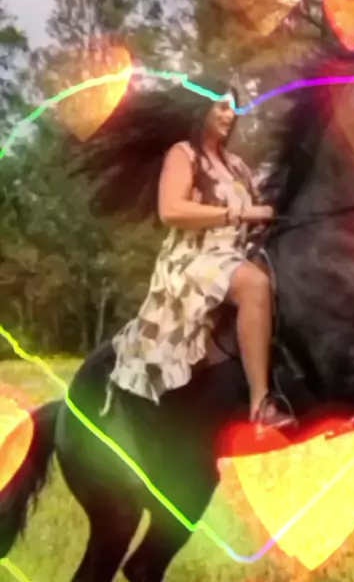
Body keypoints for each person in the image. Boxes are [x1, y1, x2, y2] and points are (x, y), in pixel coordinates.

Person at [101, 75, 297, 433]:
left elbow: (258, 215)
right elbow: (171, 210)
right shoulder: (183, 154)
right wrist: (240, 214)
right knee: (254, 285)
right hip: (193, 258)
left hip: (236, 253)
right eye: (221, 107)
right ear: (201, 109)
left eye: (233, 109)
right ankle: (261, 407)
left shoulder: (236, 165)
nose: (229, 115)